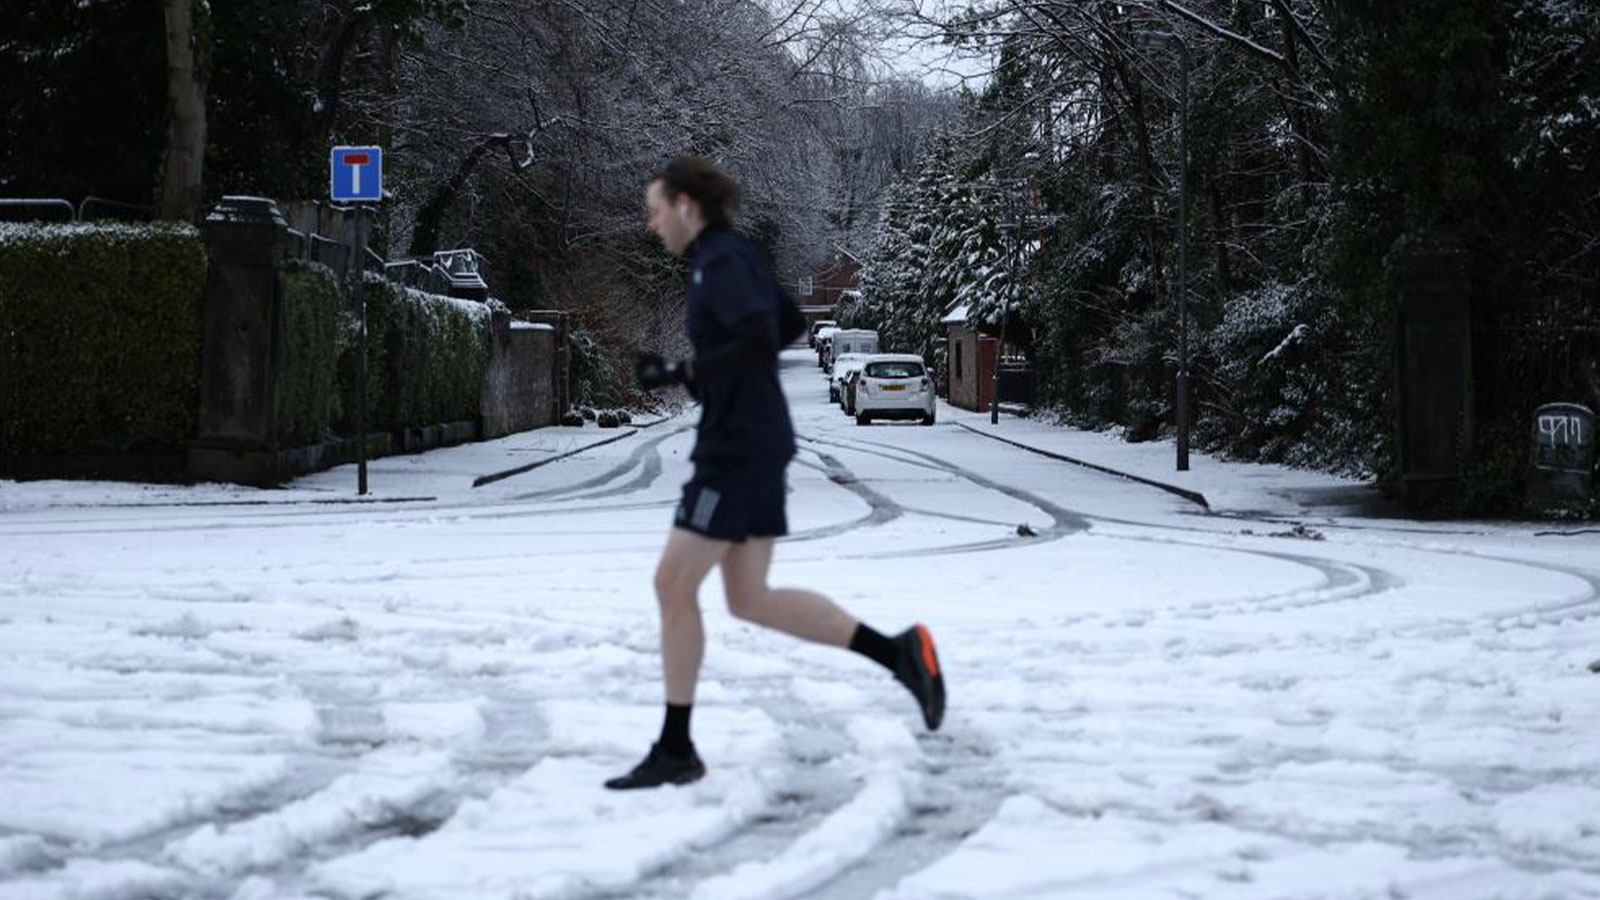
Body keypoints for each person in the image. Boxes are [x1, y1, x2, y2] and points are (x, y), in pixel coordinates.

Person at [606, 157, 945, 790]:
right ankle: (899, 656)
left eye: (656, 210)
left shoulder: (720, 260)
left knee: (672, 585)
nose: (651, 224)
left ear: (686, 204)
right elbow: (788, 322)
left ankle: (676, 747)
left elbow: (763, 337)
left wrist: (682, 373)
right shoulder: (736, 254)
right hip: (754, 441)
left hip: (737, 448)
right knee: (749, 598)